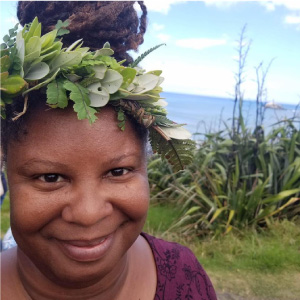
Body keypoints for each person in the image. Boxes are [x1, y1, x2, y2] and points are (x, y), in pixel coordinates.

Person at [0, 1, 217, 299]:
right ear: (6, 169)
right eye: (50, 177)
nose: (88, 215)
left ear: (145, 164)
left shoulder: (184, 276)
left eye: (118, 171)